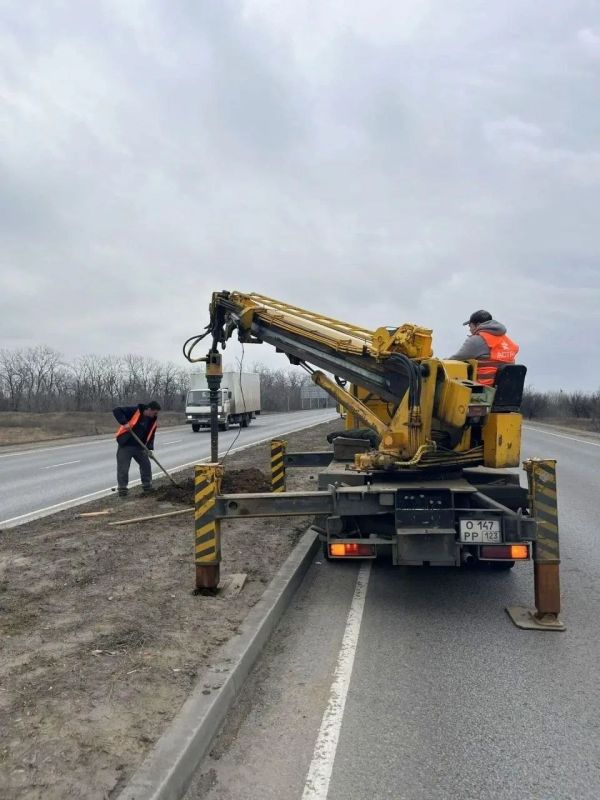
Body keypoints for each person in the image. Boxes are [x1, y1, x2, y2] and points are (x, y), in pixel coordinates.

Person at [449, 310, 519, 386]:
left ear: (478, 325)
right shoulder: (506, 341)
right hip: (507, 390)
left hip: (483, 390)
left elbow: (456, 359)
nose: (469, 329)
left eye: (470, 326)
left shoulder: (477, 340)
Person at [113, 401, 161, 497]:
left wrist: (149, 449)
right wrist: (124, 423)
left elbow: (151, 435)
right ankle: (123, 490)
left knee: (146, 465)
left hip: (140, 447)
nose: (155, 415)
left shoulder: (152, 420)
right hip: (126, 445)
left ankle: (147, 487)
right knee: (123, 468)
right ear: (149, 409)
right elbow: (116, 410)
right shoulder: (135, 410)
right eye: (154, 412)